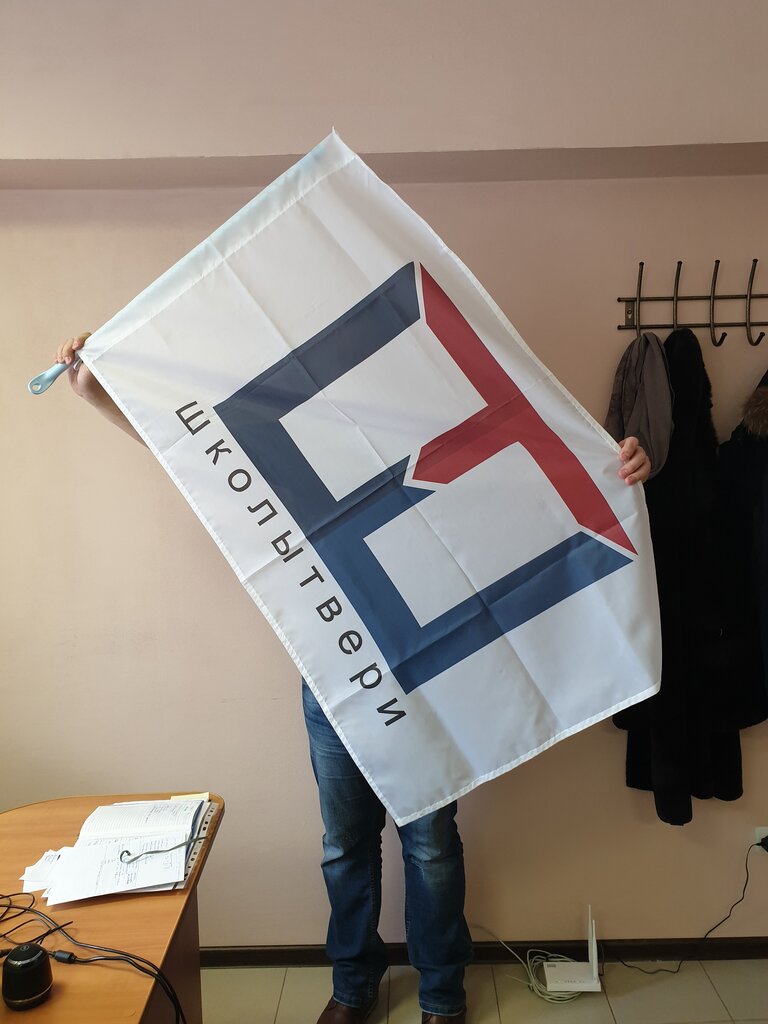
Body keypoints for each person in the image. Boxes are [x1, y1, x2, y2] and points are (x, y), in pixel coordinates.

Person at [56, 333, 652, 1024]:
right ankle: (353, 985)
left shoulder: (449, 443)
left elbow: (539, 488)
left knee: (431, 844)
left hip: (435, 677)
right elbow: (191, 449)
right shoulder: (300, 447)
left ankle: (441, 993)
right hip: (334, 679)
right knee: (345, 845)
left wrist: (620, 464)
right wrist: (96, 388)